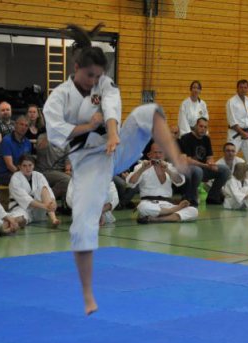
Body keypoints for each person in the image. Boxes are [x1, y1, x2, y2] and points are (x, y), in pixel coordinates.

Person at [43, 23, 186, 315]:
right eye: (90, 75)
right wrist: (89, 126)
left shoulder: (103, 85)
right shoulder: (59, 97)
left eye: (98, 76)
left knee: (148, 111)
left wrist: (112, 133)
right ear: (76, 68)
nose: (94, 81)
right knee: (83, 226)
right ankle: (87, 295)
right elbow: (58, 133)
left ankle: (177, 157)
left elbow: (111, 107)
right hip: (89, 163)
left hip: (116, 148)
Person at [128, 142, 197, 224]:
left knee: (193, 211)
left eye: (160, 152)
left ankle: (157, 219)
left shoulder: (169, 166)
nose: (158, 155)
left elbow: (180, 182)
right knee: (142, 207)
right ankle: (172, 212)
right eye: (155, 152)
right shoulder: (141, 166)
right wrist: (142, 169)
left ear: (165, 155)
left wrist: (167, 170)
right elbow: (130, 183)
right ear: (149, 155)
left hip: (167, 204)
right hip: (149, 203)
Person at [178, 117, 230, 205]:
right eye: (201, 126)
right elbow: (188, 160)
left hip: (203, 168)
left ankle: (213, 196)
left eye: (205, 127)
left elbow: (210, 157)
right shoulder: (186, 138)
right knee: (198, 170)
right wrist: (205, 165)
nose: (203, 129)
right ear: (195, 126)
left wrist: (211, 163)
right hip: (188, 170)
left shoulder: (206, 139)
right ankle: (190, 197)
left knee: (225, 170)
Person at [8, 154, 60, 227]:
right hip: (21, 207)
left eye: (30, 165)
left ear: (33, 165)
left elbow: (48, 191)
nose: (28, 168)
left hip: (39, 209)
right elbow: (25, 199)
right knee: (20, 219)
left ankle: (54, 219)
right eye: (24, 166)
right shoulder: (15, 178)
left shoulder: (39, 175)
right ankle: (19, 221)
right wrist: (45, 206)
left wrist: (53, 202)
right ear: (19, 167)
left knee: (44, 189)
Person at [34, 132, 72, 203]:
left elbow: (68, 157)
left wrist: (68, 170)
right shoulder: (42, 137)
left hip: (60, 171)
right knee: (67, 180)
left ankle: (68, 204)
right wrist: (49, 134)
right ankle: (46, 200)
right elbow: (40, 150)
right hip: (46, 171)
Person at [226, 79, 248, 154]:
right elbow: (232, 121)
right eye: (241, 87)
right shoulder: (231, 102)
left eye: (245, 87)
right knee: (230, 155)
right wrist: (243, 133)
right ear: (237, 88)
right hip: (235, 134)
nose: (243, 89)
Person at [0, 115, 31, 185]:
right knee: (26, 183)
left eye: (26, 126)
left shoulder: (27, 142)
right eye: (21, 124)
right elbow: (10, 165)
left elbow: (28, 162)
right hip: (6, 175)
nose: (24, 127)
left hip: (22, 173)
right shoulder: (6, 141)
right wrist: (23, 176)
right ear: (15, 125)